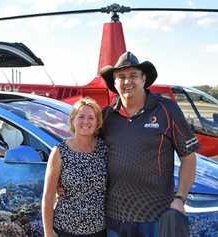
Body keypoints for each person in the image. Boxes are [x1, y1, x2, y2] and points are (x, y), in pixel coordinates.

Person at [99, 51, 198, 237]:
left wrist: (180, 198)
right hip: (114, 217)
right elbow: (87, 151)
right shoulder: (107, 116)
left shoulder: (166, 109)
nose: (127, 81)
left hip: (156, 217)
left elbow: (189, 157)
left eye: (133, 76)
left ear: (144, 79)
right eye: (121, 77)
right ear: (114, 82)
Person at [42, 97, 108, 237]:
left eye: (91, 117)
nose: (86, 121)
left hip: (99, 230)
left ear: (97, 123)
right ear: (72, 120)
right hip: (65, 229)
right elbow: (48, 196)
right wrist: (48, 233)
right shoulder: (60, 151)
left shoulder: (105, 149)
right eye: (81, 117)